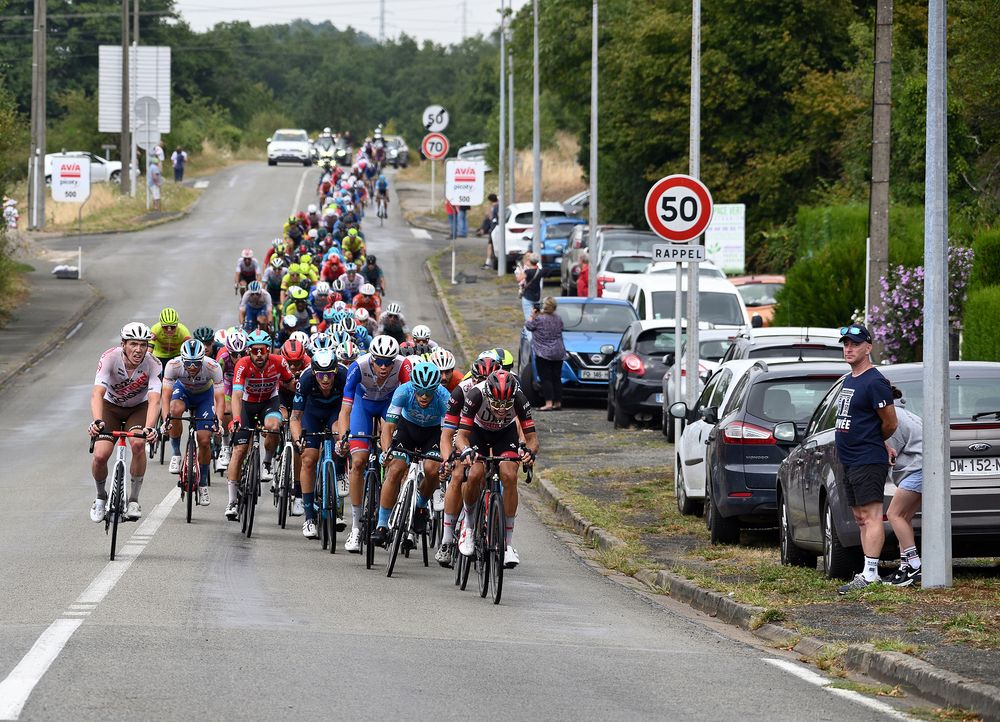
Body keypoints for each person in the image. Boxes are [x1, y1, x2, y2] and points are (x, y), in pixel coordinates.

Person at [834, 323, 898, 594]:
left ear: (868, 347)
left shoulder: (875, 382)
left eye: (855, 344)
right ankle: (867, 570)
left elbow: (890, 422)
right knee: (860, 517)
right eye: (846, 344)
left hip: (867, 458)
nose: (849, 348)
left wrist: (878, 442)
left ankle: (871, 575)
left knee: (871, 516)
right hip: (849, 459)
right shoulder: (850, 379)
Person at [335, 335, 412, 552]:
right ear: (371, 358)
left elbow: (408, 403)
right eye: (379, 361)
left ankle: (390, 517)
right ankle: (357, 527)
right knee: (358, 461)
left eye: (389, 362)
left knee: (394, 461)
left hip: (390, 406)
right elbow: (345, 410)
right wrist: (343, 438)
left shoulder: (403, 366)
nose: (384, 366)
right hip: (364, 405)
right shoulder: (358, 366)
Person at [455, 369, 538, 569]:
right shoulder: (476, 394)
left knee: (509, 475)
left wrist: (529, 452)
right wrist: (465, 450)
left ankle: (507, 544)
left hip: (504, 434)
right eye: (497, 404)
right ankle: (467, 525)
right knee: (474, 473)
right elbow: (461, 435)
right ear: (488, 395)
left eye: (506, 405)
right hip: (478, 433)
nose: (501, 409)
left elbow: (532, 439)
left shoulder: (519, 397)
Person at [371, 361, 450, 547]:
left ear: (436, 389)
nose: (423, 396)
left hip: (433, 435)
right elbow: (388, 427)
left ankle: (421, 506)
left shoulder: (444, 397)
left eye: (429, 392)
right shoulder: (403, 391)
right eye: (420, 391)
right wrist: (386, 451)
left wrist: (446, 459)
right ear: (413, 387)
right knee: (396, 468)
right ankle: (382, 524)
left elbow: (447, 434)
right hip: (407, 430)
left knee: (432, 469)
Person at [88, 323, 162, 522]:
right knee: (101, 455)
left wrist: (150, 427)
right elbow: (97, 393)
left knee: (138, 444)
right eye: (133, 344)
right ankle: (101, 496)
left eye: (143, 345)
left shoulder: (153, 364)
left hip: (138, 409)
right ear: (123, 344)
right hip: (110, 407)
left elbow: (155, 399)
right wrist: (96, 421)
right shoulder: (109, 358)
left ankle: (134, 499)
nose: (138, 349)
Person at [225, 330, 295, 521]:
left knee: (273, 427)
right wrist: (237, 418)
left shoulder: (279, 362)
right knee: (239, 451)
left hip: (269, 403)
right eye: (254, 350)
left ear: (268, 350)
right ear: (249, 351)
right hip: (247, 405)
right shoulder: (242, 364)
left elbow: (292, 385)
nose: (258, 354)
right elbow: (237, 395)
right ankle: (232, 501)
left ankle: (266, 463)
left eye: (262, 350)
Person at [291, 348, 348, 539]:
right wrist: (298, 439)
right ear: (315, 372)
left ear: (335, 372)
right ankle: (309, 518)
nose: (325, 380)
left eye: (329, 375)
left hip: (336, 413)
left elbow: (350, 410)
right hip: (311, 414)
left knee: (340, 436)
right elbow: (295, 417)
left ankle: (339, 473)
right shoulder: (306, 379)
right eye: (321, 375)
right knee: (308, 458)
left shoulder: (344, 376)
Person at [160, 339, 225, 505]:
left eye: (196, 363)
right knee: (174, 411)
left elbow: (219, 398)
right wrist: (166, 420)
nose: (193, 367)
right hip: (183, 392)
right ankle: (175, 452)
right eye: (188, 363)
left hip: (204, 396)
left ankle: (203, 482)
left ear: (202, 359)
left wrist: (218, 421)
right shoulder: (173, 365)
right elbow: (166, 395)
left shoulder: (213, 367)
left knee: (204, 440)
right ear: (183, 359)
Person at [885, 389, 924, 587]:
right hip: (921, 466)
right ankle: (905, 567)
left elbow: (890, 452)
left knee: (894, 514)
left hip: (918, 467)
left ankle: (915, 565)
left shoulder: (891, 419)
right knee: (904, 518)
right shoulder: (902, 412)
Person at [525, 297, 566, 411]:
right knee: (556, 378)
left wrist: (533, 315)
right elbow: (561, 328)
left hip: (543, 353)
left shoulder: (539, 319)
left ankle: (548, 403)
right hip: (558, 352)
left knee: (546, 378)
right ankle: (557, 402)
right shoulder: (558, 318)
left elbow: (528, 326)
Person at [150, 307, 192, 376]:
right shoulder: (155, 329)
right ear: (160, 324)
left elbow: (189, 352)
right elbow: (149, 350)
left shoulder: (183, 331)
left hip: (176, 356)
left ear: (177, 324)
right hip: (158, 357)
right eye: (165, 327)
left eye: (172, 327)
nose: (169, 330)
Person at [516, 253, 543, 321]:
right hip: (537, 296)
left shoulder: (527, 272)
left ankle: (529, 330)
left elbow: (518, 279)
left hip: (528, 296)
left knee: (529, 319)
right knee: (537, 317)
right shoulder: (540, 271)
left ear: (530, 261)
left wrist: (521, 271)